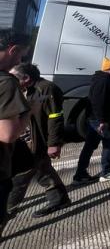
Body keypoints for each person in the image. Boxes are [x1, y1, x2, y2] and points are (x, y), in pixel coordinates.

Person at [7, 63, 70, 218]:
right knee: (43, 170)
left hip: (37, 143)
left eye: (13, 78)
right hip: (26, 141)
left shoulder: (47, 89)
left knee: (18, 179)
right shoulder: (24, 89)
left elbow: (55, 117)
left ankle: (6, 210)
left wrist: (54, 144)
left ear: (26, 78)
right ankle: (59, 199)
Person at [73, 57, 110, 184]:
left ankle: (80, 174)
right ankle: (106, 172)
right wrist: (102, 120)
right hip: (101, 119)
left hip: (96, 118)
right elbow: (98, 101)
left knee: (89, 146)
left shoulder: (101, 78)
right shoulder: (104, 80)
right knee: (109, 143)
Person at [0, 30, 30, 235]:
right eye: (21, 55)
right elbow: (7, 134)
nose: (20, 60)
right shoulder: (6, 82)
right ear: (13, 50)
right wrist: (30, 112)